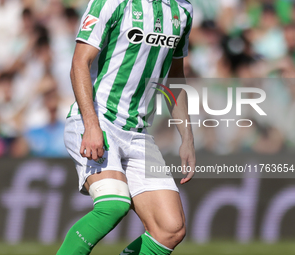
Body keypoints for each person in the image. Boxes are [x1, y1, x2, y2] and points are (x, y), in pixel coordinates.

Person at [58, 0, 195, 254]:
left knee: (170, 228)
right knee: (113, 204)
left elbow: (175, 76)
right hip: (98, 120)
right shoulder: (112, 3)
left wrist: (187, 136)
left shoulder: (183, 10)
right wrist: (91, 125)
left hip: (138, 132)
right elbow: (79, 63)